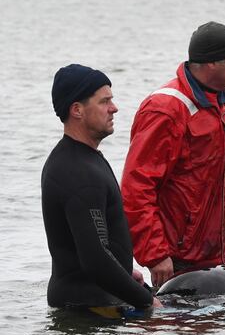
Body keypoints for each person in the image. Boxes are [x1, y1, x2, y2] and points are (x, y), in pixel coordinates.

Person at [121, 21, 225, 288]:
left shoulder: (221, 104)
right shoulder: (166, 109)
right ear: (211, 64)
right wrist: (155, 255)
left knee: (216, 327)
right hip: (177, 260)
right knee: (178, 329)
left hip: (212, 256)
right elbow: (136, 188)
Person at [42, 64, 160, 310]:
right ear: (77, 110)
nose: (114, 108)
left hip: (96, 298)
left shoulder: (83, 158)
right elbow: (95, 260)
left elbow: (95, 244)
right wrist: (148, 303)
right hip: (89, 308)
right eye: (104, 101)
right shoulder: (77, 172)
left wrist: (126, 270)